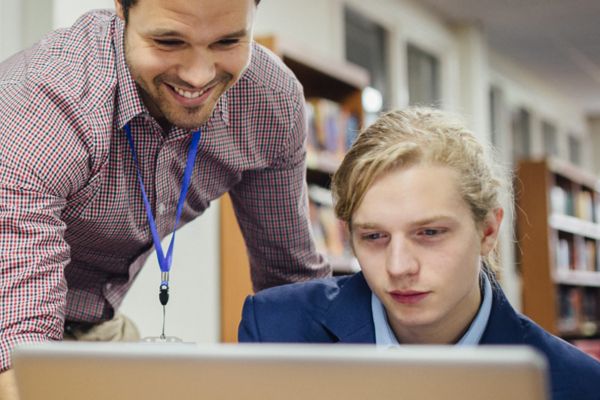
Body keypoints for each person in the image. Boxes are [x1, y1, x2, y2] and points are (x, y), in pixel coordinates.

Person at [0, 0, 330, 396]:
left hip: (95, 329)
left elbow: (291, 284)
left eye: (227, 41)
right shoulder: (41, 100)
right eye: (169, 41)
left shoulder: (269, 101)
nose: (198, 76)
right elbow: (20, 347)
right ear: (121, 9)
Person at [238, 107, 600, 400]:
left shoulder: (576, 384)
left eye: (429, 233)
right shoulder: (276, 328)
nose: (398, 267)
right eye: (374, 236)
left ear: (488, 230)